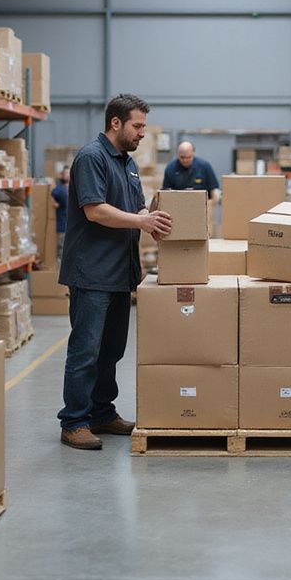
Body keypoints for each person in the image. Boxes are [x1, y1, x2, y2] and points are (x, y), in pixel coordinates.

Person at [57, 93, 173, 451]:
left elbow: (132, 207)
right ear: (116, 123)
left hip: (121, 272)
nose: (142, 134)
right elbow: (95, 210)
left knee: (112, 350)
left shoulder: (127, 163)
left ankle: (102, 413)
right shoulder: (92, 157)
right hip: (92, 272)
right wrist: (140, 220)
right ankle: (74, 421)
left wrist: (148, 221)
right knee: (86, 350)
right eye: (138, 126)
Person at [50, 167, 69, 264]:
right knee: (62, 246)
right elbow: (52, 194)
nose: (67, 175)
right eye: (65, 173)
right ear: (62, 175)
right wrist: (55, 203)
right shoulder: (60, 188)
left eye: (68, 173)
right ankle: (60, 267)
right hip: (62, 222)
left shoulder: (74, 187)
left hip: (73, 224)